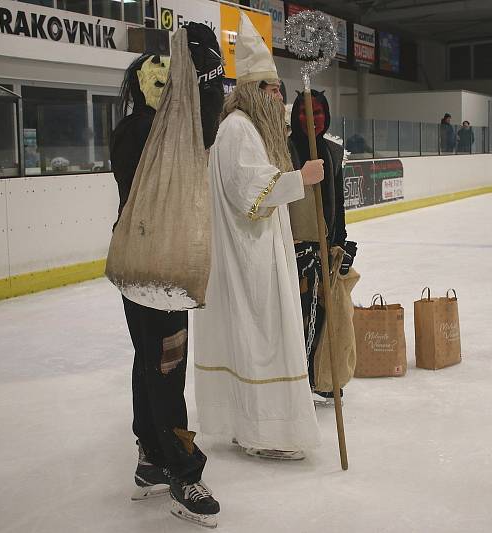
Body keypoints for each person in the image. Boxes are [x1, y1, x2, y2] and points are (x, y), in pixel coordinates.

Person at [194, 12, 323, 461]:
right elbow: (252, 191)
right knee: (261, 342)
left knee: (256, 341)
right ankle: (264, 432)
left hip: (258, 254)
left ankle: (249, 424)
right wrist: (299, 178)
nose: (279, 99)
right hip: (249, 261)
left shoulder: (250, 130)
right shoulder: (236, 131)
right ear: (252, 92)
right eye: (272, 90)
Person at [110, 22, 224, 529]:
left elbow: (201, 121)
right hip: (158, 268)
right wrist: (209, 63)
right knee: (166, 365)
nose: (164, 83)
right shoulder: (148, 135)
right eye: (155, 75)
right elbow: (205, 120)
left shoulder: (143, 130)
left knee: (150, 359)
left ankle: (151, 457)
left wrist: (203, 69)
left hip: (141, 269)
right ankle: (181, 471)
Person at [288, 90, 357, 406]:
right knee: (298, 321)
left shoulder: (332, 152)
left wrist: (341, 243)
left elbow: (336, 204)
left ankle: (320, 378)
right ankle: (296, 381)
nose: (311, 118)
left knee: (326, 319)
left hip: (324, 250)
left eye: (318, 112)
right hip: (294, 251)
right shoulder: (284, 151)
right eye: (304, 112)